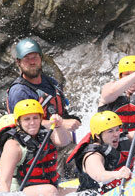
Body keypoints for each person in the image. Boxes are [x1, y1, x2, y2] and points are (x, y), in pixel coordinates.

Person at [6, 37, 82, 178]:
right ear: (18, 62)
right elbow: (27, 124)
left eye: (34, 57)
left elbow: (61, 112)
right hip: (37, 149)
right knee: (80, 158)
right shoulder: (19, 91)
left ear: (41, 58)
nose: (32, 61)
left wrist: (70, 120)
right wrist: (61, 124)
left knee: (92, 149)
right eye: (26, 58)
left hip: (60, 141)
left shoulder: (51, 82)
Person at [67, 101, 135, 195]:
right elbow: (99, 175)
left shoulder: (122, 138)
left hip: (119, 190)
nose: (116, 134)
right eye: (110, 131)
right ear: (97, 135)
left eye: (117, 129)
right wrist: (118, 174)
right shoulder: (92, 155)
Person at [0, 99, 72, 196]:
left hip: (48, 189)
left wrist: (59, 126)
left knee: (82, 192)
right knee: (50, 191)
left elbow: (65, 141)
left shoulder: (46, 133)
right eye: (27, 119)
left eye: (35, 118)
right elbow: (4, 182)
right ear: (18, 122)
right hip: (19, 194)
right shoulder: (13, 145)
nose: (32, 122)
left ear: (41, 119)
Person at [98, 55, 135, 132]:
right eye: (127, 74)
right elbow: (109, 93)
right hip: (111, 139)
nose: (133, 79)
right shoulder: (110, 88)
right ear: (121, 77)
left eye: (134, 73)